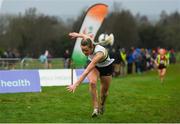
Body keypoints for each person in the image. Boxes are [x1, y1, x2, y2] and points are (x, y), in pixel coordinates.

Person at [67, 32, 114, 117]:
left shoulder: (99, 53)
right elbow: (84, 36)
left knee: (104, 92)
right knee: (92, 82)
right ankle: (95, 109)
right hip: (95, 66)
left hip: (106, 67)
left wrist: (75, 84)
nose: (84, 52)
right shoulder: (89, 41)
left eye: (86, 50)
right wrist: (77, 35)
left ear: (91, 47)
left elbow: (86, 71)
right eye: (82, 50)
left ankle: (102, 105)